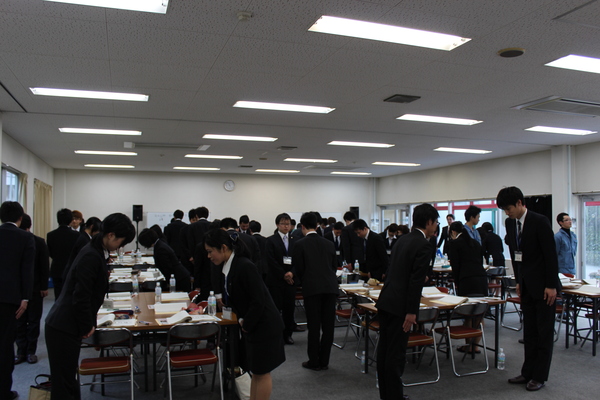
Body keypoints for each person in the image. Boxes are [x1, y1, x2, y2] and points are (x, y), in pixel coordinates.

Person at [45, 213, 135, 400]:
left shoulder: (96, 250)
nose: (120, 247)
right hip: (63, 325)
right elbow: (81, 296)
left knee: (69, 380)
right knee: (63, 383)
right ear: (110, 235)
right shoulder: (91, 255)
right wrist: (88, 325)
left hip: (67, 323)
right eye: (121, 242)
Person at [205, 229, 285, 400]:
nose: (209, 256)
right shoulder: (229, 266)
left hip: (264, 326)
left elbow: (259, 300)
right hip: (253, 325)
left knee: (262, 373)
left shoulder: (244, 266)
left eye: (210, 251)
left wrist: (246, 323)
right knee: (255, 372)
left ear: (223, 247)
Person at [497, 186, 559, 392]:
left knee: (543, 333)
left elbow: (550, 255)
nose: (507, 213)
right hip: (526, 285)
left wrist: (551, 285)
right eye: (504, 210)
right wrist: (518, 281)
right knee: (530, 332)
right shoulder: (510, 223)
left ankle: (539, 376)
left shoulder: (540, 221)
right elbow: (515, 254)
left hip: (544, 287)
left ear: (519, 203)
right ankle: (527, 372)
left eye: (509, 208)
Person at [376, 203, 439, 400]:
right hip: (400, 306)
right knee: (396, 355)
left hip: (386, 300)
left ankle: (387, 394)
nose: (436, 226)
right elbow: (415, 281)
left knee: (384, 351)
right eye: (436, 222)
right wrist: (412, 312)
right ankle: (395, 396)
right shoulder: (424, 245)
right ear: (428, 222)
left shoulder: (401, 239)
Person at [292, 212, 338, 371]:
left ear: (302, 226)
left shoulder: (299, 244)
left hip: (312, 288)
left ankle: (314, 361)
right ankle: (324, 361)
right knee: (328, 326)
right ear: (317, 226)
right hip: (330, 288)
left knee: (314, 326)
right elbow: (334, 267)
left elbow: (299, 269)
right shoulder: (329, 244)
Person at [0, 201, 34, 400]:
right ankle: (4, 391)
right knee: (6, 346)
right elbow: (26, 271)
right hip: (10, 298)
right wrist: (25, 298)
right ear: (20, 218)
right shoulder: (25, 237)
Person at [447, 220, 488, 354]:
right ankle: (475, 346)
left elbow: (455, 266)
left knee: (468, 314)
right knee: (479, 314)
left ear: (453, 232)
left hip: (467, 280)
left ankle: (468, 345)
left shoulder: (455, 244)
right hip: (481, 279)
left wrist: (457, 282)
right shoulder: (475, 243)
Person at [15, 214, 49, 366]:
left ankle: (29, 351)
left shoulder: (39, 242)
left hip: (35, 287)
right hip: (20, 288)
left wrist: (44, 286)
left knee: (32, 320)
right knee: (21, 320)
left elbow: (44, 266)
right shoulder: (14, 240)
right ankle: (22, 351)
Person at [265, 213, 298, 344]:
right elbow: (270, 260)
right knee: (275, 309)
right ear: (277, 225)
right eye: (283, 223)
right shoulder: (270, 240)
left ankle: (288, 334)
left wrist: (292, 273)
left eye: (288, 224)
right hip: (276, 280)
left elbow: (299, 259)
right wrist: (284, 274)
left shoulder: (295, 240)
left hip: (291, 281)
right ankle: (276, 335)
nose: (286, 226)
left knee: (289, 309)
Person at [46, 208, 80, 299]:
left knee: (58, 296)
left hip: (57, 269)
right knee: (70, 296)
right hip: (71, 269)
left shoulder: (50, 235)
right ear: (71, 220)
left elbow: (50, 252)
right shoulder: (76, 235)